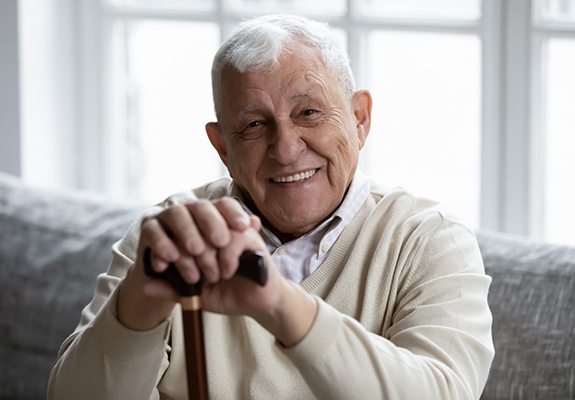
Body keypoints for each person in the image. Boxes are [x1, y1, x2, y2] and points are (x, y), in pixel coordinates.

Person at [48, 14, 494, 400]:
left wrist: (279, 303)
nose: (285, 147)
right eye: (255, 125)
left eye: (309, 113)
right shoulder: (175, 233)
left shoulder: (430, 240)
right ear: (222, 147)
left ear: (360, 119)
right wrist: (140, 303)